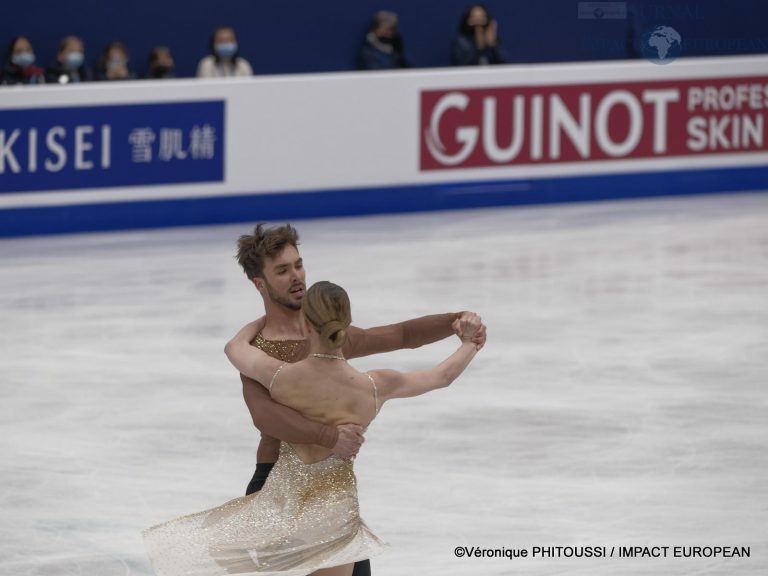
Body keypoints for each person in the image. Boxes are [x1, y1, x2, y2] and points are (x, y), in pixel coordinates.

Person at [143, 280, 485, 576]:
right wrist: (471, 343)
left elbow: (234, 348)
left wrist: (260, 321)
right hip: (333, 513)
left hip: (282, 506)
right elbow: (442, 377)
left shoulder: (280, 376)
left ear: (306, 326)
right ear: (347, 324)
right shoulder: (374, 386)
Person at [233, 224, 484, 576]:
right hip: (275, 484)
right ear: (260, 283)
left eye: (298, 265)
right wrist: (329, 436)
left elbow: (399, 335)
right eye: (282, 270)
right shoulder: (258, 350)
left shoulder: (328, 334)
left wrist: (454, 321)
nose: (296, 276)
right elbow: (265, 416)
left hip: (330, 491)